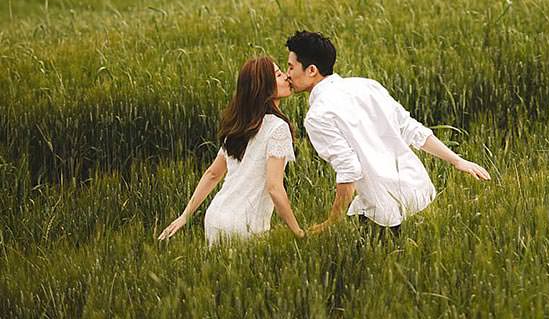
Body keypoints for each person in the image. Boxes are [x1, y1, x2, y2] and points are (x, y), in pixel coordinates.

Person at [286, 30, 490, 234]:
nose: (287, 74)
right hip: (419, 193)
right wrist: (457, 160)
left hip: (384, 212)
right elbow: (411, 129)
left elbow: (349, 169)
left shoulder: (317, 116)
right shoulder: (367, 85)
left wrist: (332, 222)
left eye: (291, 67)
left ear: (311, 70)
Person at [158, 56, 304, 244]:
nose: (286, 76)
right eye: (278, 74)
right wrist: (298, 232)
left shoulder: (241, 123)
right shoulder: (278, 128)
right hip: (246, 225)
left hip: (216, 218)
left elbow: (213, 174)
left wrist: (185, 215)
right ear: (265, 87)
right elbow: (274, 188)